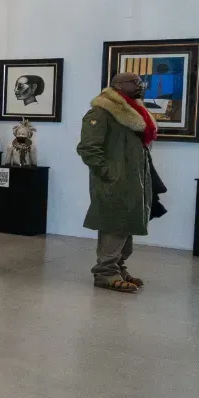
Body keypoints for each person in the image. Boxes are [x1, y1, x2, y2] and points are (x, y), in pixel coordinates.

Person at [78, 70, 156, 293]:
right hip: (115, 180)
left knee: (126, 223)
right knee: (114, 224)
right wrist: (109, 173)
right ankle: (105, 273)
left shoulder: (133, 110)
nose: (140, 85)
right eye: (135, 82)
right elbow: (88, 148)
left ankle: (118, 267)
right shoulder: (101, 112)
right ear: (119, 85)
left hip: (133, 179)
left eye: (140, 82)